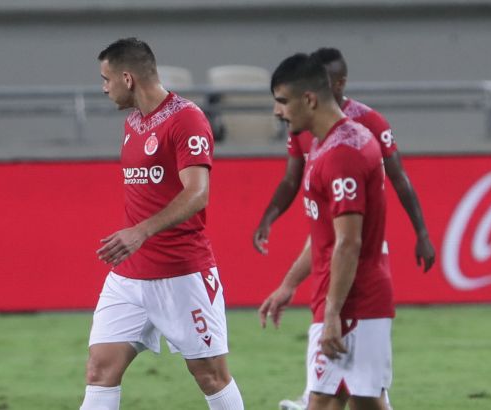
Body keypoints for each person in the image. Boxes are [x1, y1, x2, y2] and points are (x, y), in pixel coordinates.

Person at [79, 38, 244, 410]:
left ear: (127, 78)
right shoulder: (133, 123)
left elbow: (197, 193)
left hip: (181, 273)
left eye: (106, 79)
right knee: (100, 369)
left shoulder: (187, 119)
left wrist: (141, 231)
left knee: (210, 375)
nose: (104, 88)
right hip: (130, 275)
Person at [260, 52, 395, 410]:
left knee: (323, 401)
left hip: (352, 302)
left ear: (309, 99)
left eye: (282, 101)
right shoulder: (329, 143)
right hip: (346, 299)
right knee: (358, 401)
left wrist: (333, 313)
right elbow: (327, 236)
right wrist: (289, 284)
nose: (277, 111)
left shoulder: (342, 154)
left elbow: (349, 242)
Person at [253, 47, 435, 272]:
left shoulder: (370, 122)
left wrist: (422, 233)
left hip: (361, 246)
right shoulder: (301, 125)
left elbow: (399, 178)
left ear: (339, 84)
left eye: (323, 81)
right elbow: (291, 180)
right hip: (323, 241)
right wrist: (268, 217)